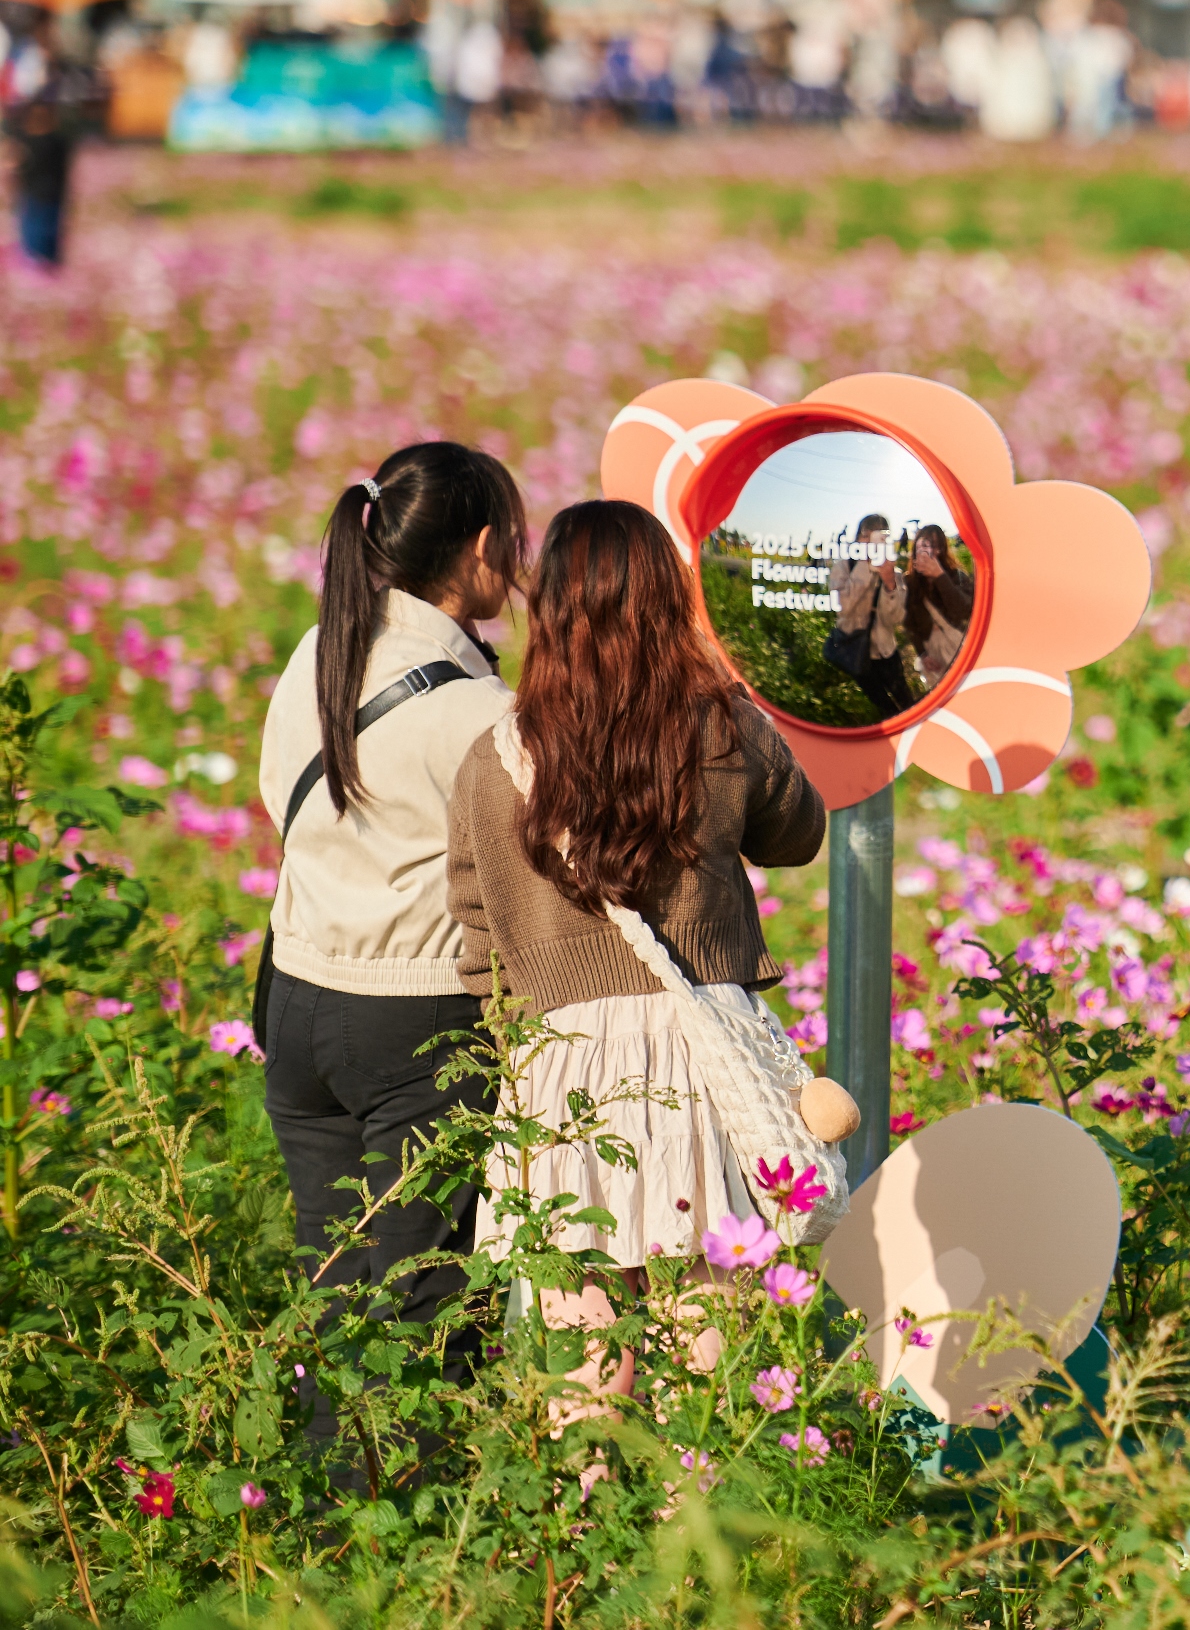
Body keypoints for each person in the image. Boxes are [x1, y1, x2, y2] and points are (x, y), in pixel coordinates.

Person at [444, 501, 826, 1384]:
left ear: (552, 609)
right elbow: (797, 834)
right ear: (668, 600)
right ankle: (686, 1509)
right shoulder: (722, 726)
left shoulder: (494, 754)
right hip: (701, 1047)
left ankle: (585, 1514)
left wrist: (516, 1046)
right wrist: (737, 687)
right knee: (700, 1335)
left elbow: (474, 921)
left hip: (565, 1063)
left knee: (583, 1342)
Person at [257, 442, 526, 1426]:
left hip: (295, 1009)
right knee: (423, 1307)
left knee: (335, 1291)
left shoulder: (315, 654)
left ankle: (326, 1535)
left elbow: (272, 796)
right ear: (486, 548)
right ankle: (406, 1557)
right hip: (414, 1028)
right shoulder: (478, 712)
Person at [828, 513, 912, 718]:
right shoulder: (843, 567)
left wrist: (890, 583)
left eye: (880, 537)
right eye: (868, 536)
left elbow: (897, 619)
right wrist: (865, 567)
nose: (873, 543)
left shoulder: (893, 572)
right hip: (855, 651)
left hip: (886, 650)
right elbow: (841, 607)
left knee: (907, 701)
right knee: (883, 706)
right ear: (858, 539)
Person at [901, 523, 976, 691]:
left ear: (942, 550)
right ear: (915, 549)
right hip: (932, 648)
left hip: (959, 644)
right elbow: (909, 623)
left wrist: (940, 577)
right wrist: (922, 654)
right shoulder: (909, 583)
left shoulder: (956, 576)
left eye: (936, 546)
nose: (931, 552)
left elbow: (964, 611)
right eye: (925, 545)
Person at [8, 86, 76, 270]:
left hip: (41, 191)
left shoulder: (31, 141)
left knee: (39, 228)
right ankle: (46, 262)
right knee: (44, 228)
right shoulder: (57, 141)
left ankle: (40, 263)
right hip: (44, 191)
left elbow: (16, 165)